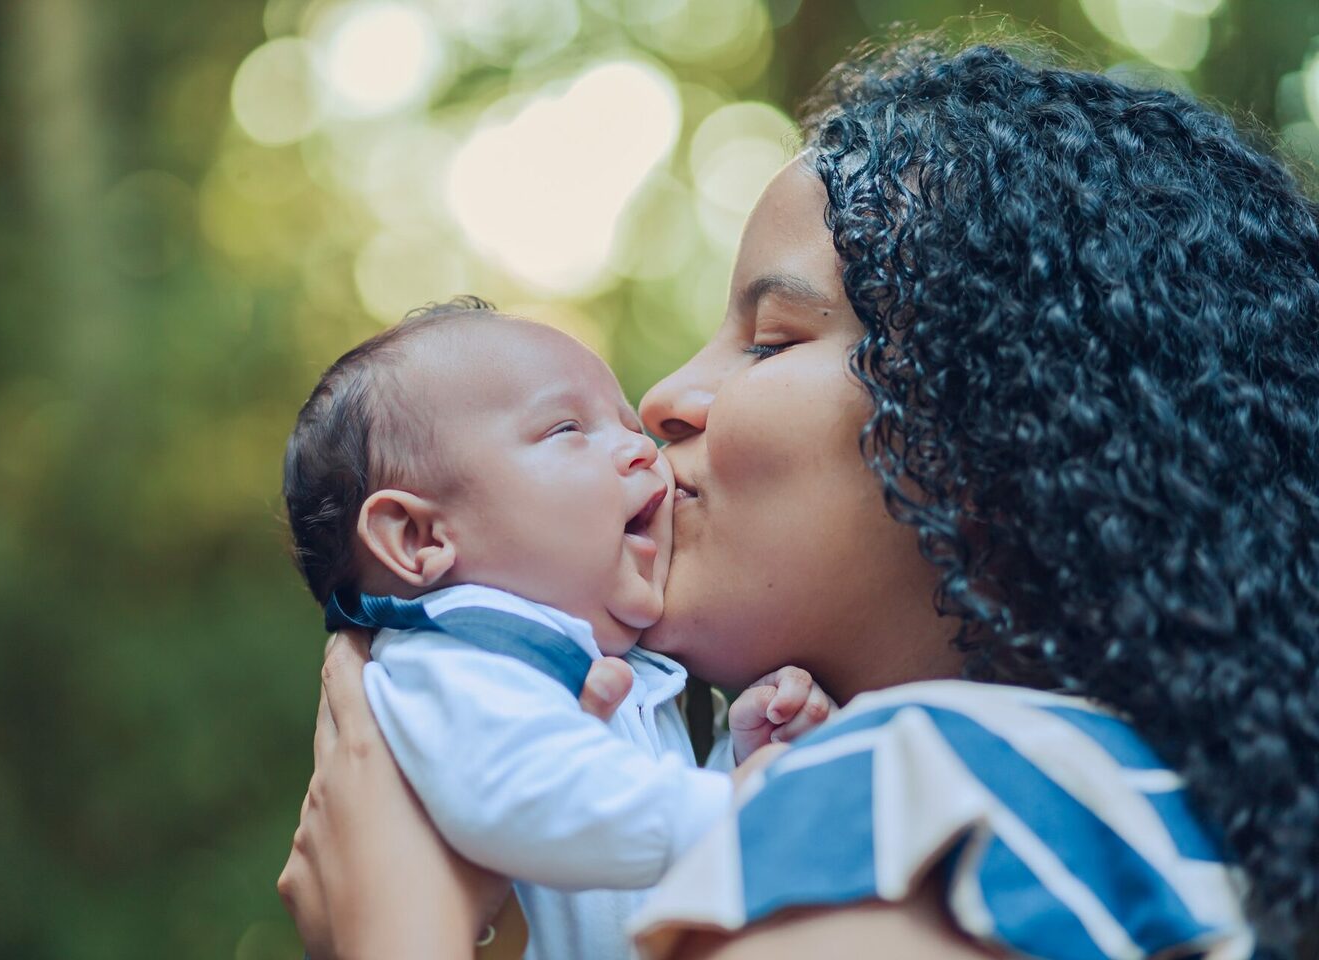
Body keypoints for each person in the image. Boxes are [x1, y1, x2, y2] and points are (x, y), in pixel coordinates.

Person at [278, 35, 1319, 960]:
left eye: (773, 340)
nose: (663, 400)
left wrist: (393, 923)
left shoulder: (916, 800)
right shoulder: (1135, 833)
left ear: (1007, 435)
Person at [280, 301, 831, 960]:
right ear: (420, 537)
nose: (641, 450)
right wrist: (737, 807)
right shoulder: (452, 658)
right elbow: (528, 796)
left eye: (628, 426)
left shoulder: (588, 663)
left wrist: (739, 756)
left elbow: (632, 836)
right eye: (568, 427)